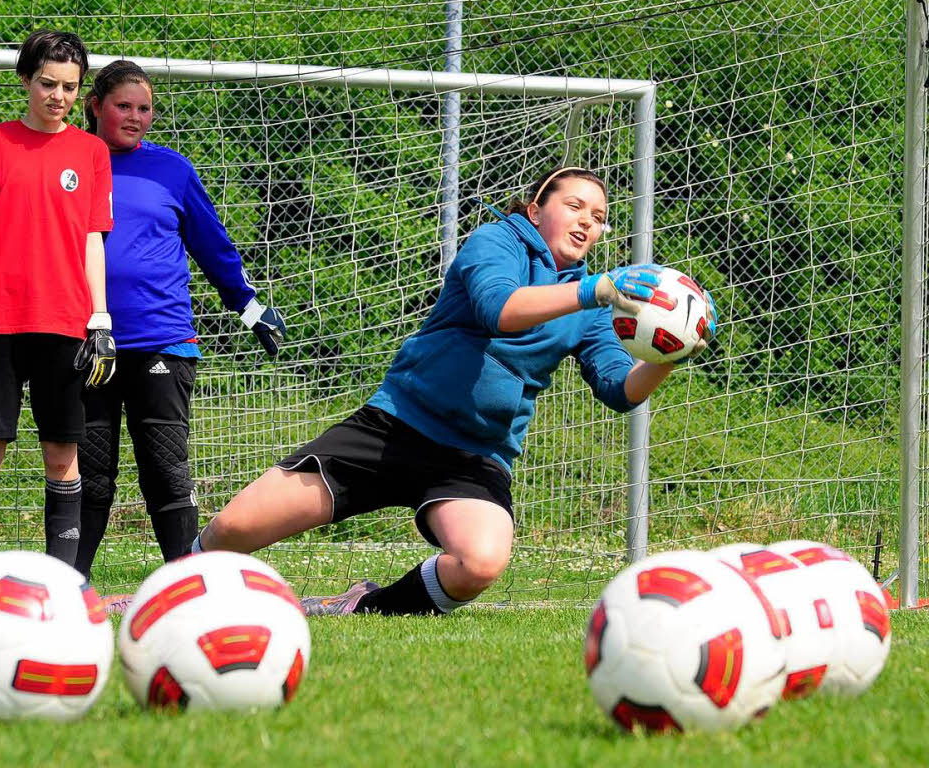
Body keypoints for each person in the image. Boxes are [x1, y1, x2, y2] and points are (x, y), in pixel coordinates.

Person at [154, 166, 714, 618]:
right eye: (575, 206)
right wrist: (596, 290)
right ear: (537, 206)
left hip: (473, 458)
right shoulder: (499, 241)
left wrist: (667, 354)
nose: (588, 222)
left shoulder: (593, 301)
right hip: (394, 428)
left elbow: (619, 390)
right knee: (235, 529)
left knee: (482, 561)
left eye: (599, 218)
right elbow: (502, 310)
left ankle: (365, 605)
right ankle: (164, 596)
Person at [74, 60, 287, 580]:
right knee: (88, 477)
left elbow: (211, 245)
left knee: (166, 473)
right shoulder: (69, 163)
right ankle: (69, 590)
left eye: (144, 108)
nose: (135, 116)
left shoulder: (172, 169)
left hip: (161, 340)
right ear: (95, 106)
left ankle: (187, 589)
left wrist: (249, 306)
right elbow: (25, 234)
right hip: (82, 341)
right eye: (123, 105)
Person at [0, 30, 115, 574]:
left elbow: (91, 240)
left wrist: (100, 319)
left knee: (62, 459)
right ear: (26, 80)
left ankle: (62, 588)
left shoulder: (91, 152)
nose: (58, 96)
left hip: (64, 323)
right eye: (47, 83)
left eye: (69, 87)